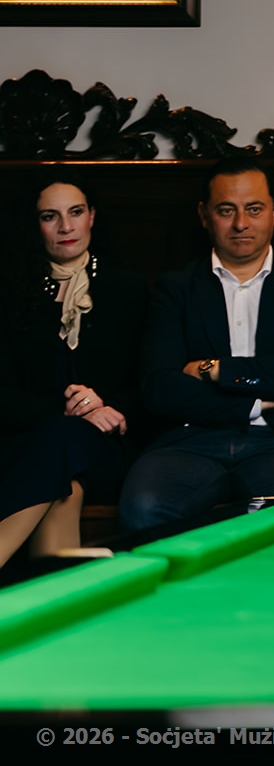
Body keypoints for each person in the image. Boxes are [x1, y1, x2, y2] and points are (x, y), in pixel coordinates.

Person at [119, 158, 274, 530]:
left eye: (254, 209)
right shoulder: (176, 288)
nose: (240, 223)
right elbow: (160, 387)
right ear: (204, 215)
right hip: (189, 439)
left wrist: (214, 370)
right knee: (144, 506)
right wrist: (255, 401)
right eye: (226, 210)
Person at [0, 181, 144, 568]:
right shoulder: (10, 293)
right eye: (50, 216)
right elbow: (4, 398)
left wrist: (106, 406)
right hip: (25, 442)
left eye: (76, 212)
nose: (66, 226)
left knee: (63, 440)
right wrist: (68, 409)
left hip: (105, 446)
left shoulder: (128, 290)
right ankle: (49, 597)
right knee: (67, 489)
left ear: (91, 216)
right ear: (35, 225)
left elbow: (148, 385)